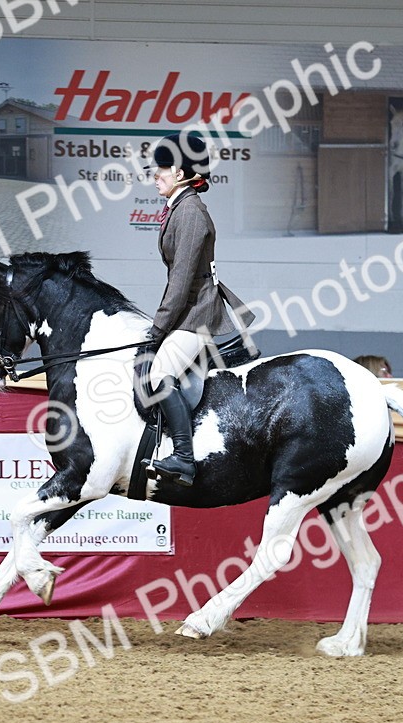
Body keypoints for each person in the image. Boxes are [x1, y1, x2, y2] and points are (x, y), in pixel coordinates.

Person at [142, 132, 237, 488]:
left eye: (161, 168)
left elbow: (181, 282)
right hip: (186, 312)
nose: (155, 174)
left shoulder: (192, 212)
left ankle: (183, 458)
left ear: (180, 173)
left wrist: (157, 329)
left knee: (158, 373)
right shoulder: (180, 208)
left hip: (197, 314)